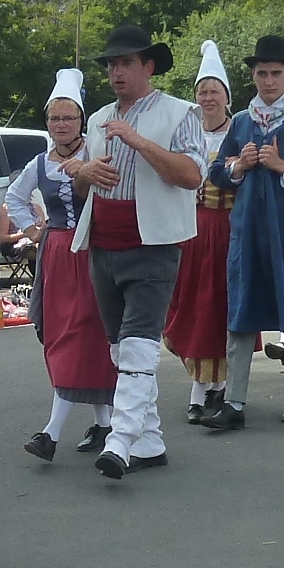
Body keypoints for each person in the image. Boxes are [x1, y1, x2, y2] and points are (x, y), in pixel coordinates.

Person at [63, 24, 205, 476]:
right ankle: (149, 441)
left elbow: (190, 176)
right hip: (104, 243)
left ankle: (120, 440)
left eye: (126, 63)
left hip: (154, 244)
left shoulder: (180, 113)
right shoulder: (100, 116)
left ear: (149, 67)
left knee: (140, 344)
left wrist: (138, 141)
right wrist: (86, 172)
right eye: (111, 65)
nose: (116, 72)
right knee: (120, 350)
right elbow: (84, 187)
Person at [198, 35, 284, 430]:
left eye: (277, 73)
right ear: (253, 76)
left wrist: (283, 167)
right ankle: (234, 402)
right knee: (241, 312)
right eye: (262, 73)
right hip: (247, 231)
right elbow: (217, 173)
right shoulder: (242, 122)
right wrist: (238, 167)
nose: (269, 81)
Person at [10, 69, 117, 459]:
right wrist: (36, 232)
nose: (61, 124)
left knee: (86, 335)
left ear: (81, 120)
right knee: (61, 335)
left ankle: (50, 433)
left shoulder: (96, 152)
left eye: (68, 117)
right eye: (54, 118)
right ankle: (105, 424)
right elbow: (14, 198)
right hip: (57, 254)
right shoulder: (40, 163)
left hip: (93, 251)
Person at [165, 41, 237, 420]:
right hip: (188, 229)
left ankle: (215, 389)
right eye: (202, 91)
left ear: (226, 97)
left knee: (218, 306)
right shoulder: (186, 131)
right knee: (190, 306)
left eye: (214, 91)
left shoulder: (238, 131)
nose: (208, 97)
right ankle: (201, 385)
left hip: (225, 228)